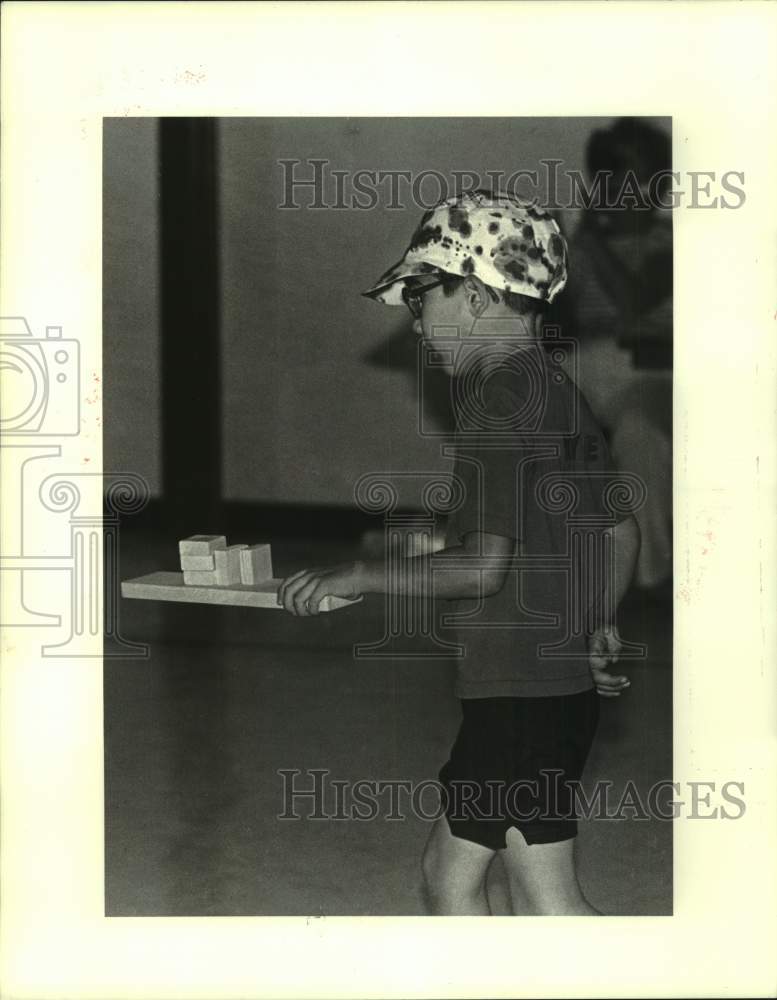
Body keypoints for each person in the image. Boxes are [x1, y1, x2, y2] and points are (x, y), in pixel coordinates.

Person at [277, 190, 641, 915]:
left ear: (473, 295)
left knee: (496, 893)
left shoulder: (495, 404)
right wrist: (594, 624)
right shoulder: (557, 393)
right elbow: (616, 531)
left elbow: (482, 565)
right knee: (500, 891)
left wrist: (361, 573)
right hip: (551, 696)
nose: (414, 323)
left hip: (515, 705)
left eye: (420, 299)